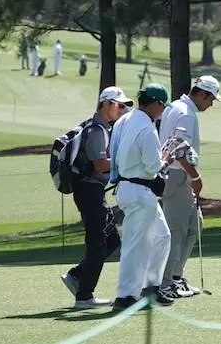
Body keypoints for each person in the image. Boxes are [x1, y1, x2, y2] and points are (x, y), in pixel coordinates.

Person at [60, 86, 133, 309]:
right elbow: (101, 165)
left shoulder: (103, 128)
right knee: (97, 242)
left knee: (111, 240)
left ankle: (76, 276)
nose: (121, 110)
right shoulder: (96, 130)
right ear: (106, 104)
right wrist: (126, 162)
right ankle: (84, 296)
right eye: (119, 105)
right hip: (89, 191)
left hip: (93, 190)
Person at [110, 83, 176, 311]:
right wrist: (165, 160)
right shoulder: (147, 128)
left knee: (162, 236)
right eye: (162, 106)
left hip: (130, 188)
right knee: (135, 245)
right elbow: (152, 166)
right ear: (156, 103)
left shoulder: (127, 120)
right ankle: (126, 296)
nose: (163, 111)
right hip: (139, 190)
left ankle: (151, 288)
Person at [158, 75, 221, 299]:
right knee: (176, 232)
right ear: (202, 94)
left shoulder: (177, 107)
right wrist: (195, 178)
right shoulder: (185, 113)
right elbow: (178, 150)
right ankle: (166, 283)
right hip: (179, 176)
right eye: (211, 99)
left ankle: (176, 277)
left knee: (194, 227)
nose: (211, 104)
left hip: (179, 175)